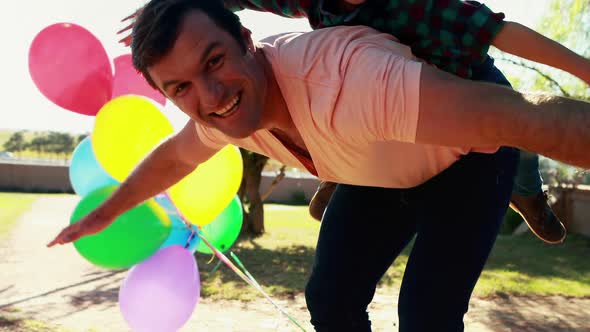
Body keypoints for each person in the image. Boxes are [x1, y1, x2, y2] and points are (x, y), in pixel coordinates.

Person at [49, 0, 590, 330]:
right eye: (182, 87)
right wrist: (108, 211)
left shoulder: (351, 80)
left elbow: (524, 118)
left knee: (426, 315)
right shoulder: (218, 110)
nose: (210, 96)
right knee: (330, 298)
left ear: (245, 40)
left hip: (468, 163)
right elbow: (174, 157)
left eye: (214, 61)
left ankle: (525, 188)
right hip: (377, 168)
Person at [119, 0, 590, 244]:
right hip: (373, 111)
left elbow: (505, 34)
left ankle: (527, 198)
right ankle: (337, 177)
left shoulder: (427, 7)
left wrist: (581, 68)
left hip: (460, 86)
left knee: (510, 125)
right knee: (347, 126)